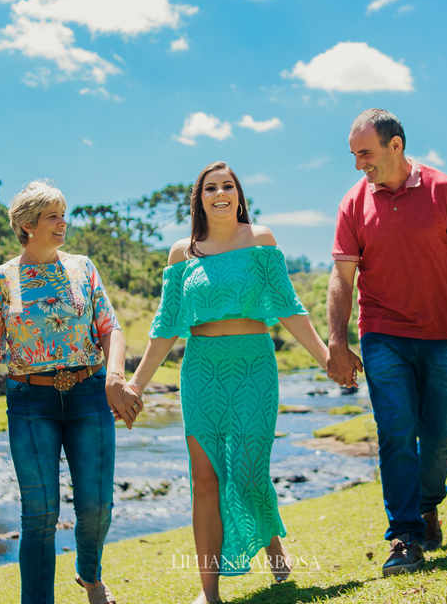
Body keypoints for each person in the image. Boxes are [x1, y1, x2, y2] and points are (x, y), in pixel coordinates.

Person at [129, 161, 331, 604]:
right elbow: (165, 326)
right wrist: (136, 385)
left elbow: (289, 307)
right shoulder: (182, 253)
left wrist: (327, 359)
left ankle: (272, 547)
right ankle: (209, 591)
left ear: (239, 196)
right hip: (201, 369)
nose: (219, 193)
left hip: (254, 366)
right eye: (210, 188)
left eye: (227, 186)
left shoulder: (260, 240)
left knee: (247, 473)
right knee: (205, 479)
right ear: (198, 199)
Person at [325, 109, 447, 577]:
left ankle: (427, 505)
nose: (358, 163)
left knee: (439, 435)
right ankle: (404, 535)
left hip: (442, 334)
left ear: (395, 145)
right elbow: (342, 276)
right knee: (396, 430)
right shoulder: (353, 202)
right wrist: (337, 341)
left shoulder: (444, 189)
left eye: (365, 152)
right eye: (353, 154)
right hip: (382, 334)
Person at [0, 180, 141, 604]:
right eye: (53, 216)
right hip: (30, 403)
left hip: (88, 395)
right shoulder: (2, 279)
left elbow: (110, 329)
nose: (63, 223)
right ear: (28, 225)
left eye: (63, 214)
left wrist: (114, 377)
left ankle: (90, 574)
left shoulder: (82, 267)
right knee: (39, 514)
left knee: (97, 506)